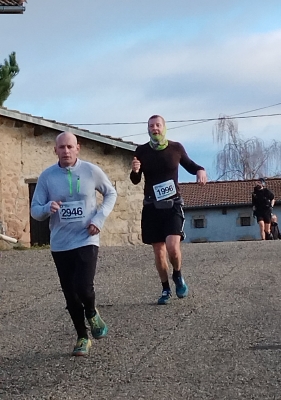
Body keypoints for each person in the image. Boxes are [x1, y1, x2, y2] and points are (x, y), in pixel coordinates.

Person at [31, 132, 117, 356]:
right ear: (55, 150)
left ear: (78, 148)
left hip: (86, 238)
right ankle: (82, 337)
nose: (66, 151)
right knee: (70, 295)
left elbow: (111, 193)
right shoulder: (47, 177)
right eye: (62, 147)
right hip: (60, 243)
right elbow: (35, 210)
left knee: (83, 286)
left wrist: (98, 219)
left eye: (70, 147)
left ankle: (91, 311)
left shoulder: (91, 170)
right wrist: (46, 208)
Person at [130, 115, 207, 305]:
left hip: (173, 204)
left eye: (157, 125)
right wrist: (135, 170)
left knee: (173, 248)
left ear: (164, 127)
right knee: (159, 252)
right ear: (147, 129)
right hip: (151, 206)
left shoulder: (176, 148)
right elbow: (135, 180)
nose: (154, 128)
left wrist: (200, 170)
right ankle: (165, 288)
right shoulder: (141, 151)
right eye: (151, 126)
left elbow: (190, 165)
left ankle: (178, 276)